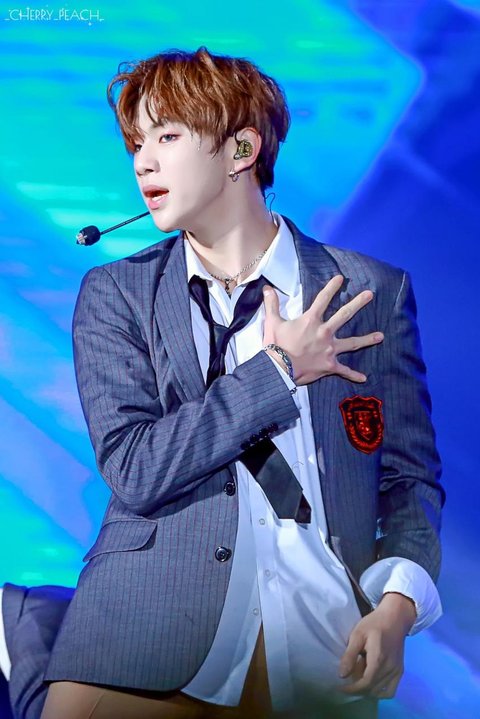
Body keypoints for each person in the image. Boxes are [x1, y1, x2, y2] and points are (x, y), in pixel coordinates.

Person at [16, 46, 443, 718]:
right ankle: (32, 633)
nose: (142, 161)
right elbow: (134, 467)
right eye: (136, 143)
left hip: (319, 642)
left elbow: (409, 480)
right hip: (143, 634)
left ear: (241, 149)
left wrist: (396, 607)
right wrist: (278, 372)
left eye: (166, 137)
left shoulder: (368, 290)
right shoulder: (118, 293)